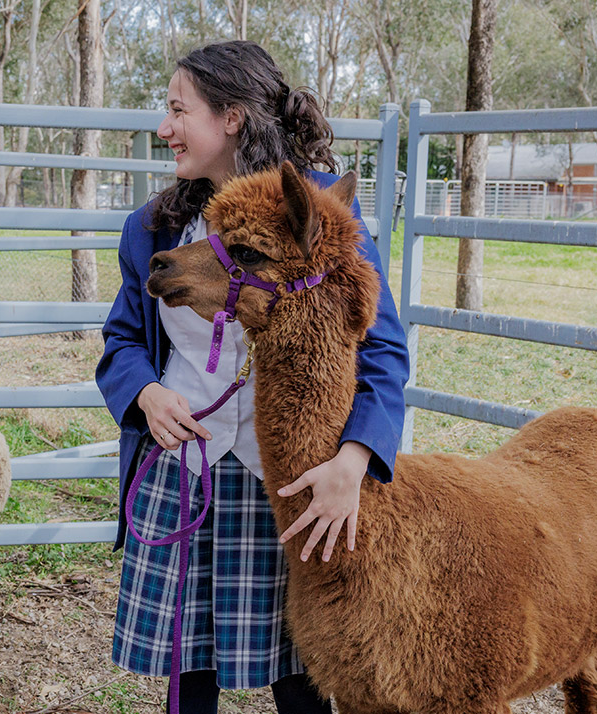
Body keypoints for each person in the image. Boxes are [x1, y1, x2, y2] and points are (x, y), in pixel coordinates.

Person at [94, 40, 409, 714]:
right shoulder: (152, 231)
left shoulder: (320, 214)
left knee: (304, 666)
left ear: (232, 118)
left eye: (180, 110)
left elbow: (380, 347)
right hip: (186, 465)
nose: (164, 128)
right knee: (190, 664)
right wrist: (145, 393)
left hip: (294, 476)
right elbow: (122, 339)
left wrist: (353, 461)